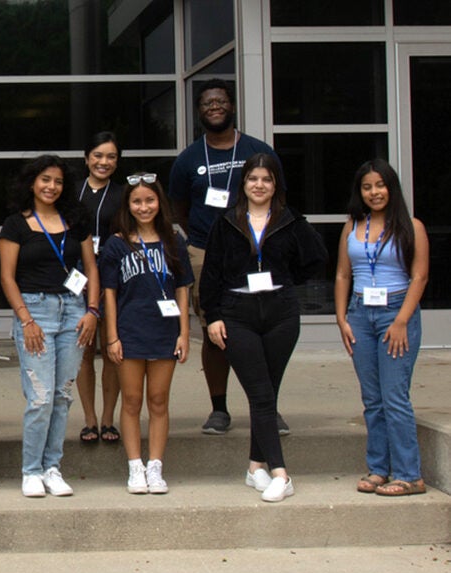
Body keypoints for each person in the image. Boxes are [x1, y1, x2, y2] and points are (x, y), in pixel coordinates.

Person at [200, 154, 327, 502]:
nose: (259, 185)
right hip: (237, 313)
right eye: (252, 178)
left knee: (267, 392)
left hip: (281, 312)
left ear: (276, 185)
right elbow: (210, 274)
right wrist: (213, 316)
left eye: (266, 179)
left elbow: (316, 258)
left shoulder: (290, 221)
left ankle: (255, 465)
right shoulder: (226, 223)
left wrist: (287, 280)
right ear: (243, 184)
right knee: (260, 393)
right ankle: (280, 473)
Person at [168, 78, 288, 436]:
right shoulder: (188, 159)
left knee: (265, 331)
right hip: (207, 254)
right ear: (199, 111)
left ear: (232, 106)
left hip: (257, 251)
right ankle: (219, 409)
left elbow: (279, 198)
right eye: (207, 103)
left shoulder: (258, 150)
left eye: (220, 101)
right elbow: (179, 208)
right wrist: (210, 240)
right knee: (214, 333)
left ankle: (267, 408)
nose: (214, 107)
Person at [0, 154, 99, 498]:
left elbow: (90, 268)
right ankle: (31, 470)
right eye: (45, 180)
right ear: (32, 182)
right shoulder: (16, 224)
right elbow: (6, 278)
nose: (51, 187)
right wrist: (25, 319)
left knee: (61, 395)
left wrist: (93, 311)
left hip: (73, 312)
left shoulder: (76, 220)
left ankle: (52, 468)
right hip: (35, 312)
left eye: (57, 181)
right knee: (40, 397)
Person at [334, 159, 429, 497]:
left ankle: (409, 475)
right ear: (360, 192)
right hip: (360, 313)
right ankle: (379, 468)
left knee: (394, 397)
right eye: (367, 187)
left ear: (391, 188)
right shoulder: (353, 226)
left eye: (380, 185)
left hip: (395, 312)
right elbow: (344, 274)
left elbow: (419, 276)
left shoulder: (411, 226)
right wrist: (342, 318)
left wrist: (402, 319)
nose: (374, 192)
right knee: (372, 398)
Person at [99, 173, 192, 495]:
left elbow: (182, 289)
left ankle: (155, 465)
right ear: (128, 205)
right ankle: (135, 466)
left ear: (159, 203)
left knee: (158, 400)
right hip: (130, 332)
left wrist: (184, 333)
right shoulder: (116, 243)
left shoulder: (174, 241)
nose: (144, 207)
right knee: (132, 400)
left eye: (150, 200)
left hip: (165, 332)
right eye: (137, 201)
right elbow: (108, 292)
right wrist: (111, 336)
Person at [76, 131, 125, 445]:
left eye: (110, 157)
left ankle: (108, 419)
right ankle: (89, 419)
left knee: (110, 349)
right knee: (82, 351)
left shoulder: (123, 194)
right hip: (76, 276)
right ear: (87, 158)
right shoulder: (71, 193)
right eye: (98, 155)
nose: (103, 162)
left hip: (111, 274)